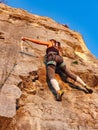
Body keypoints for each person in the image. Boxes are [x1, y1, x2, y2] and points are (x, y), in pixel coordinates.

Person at [21, 37, 93, 101]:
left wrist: (27, 38)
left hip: (52, 58)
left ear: (52, 41)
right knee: (70, 74)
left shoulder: (50, 43)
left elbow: (39, 42)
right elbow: (60, 57)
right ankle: (85, 85)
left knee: (51, 76)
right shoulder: (58, 48)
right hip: (60, 60)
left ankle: (58, 91)